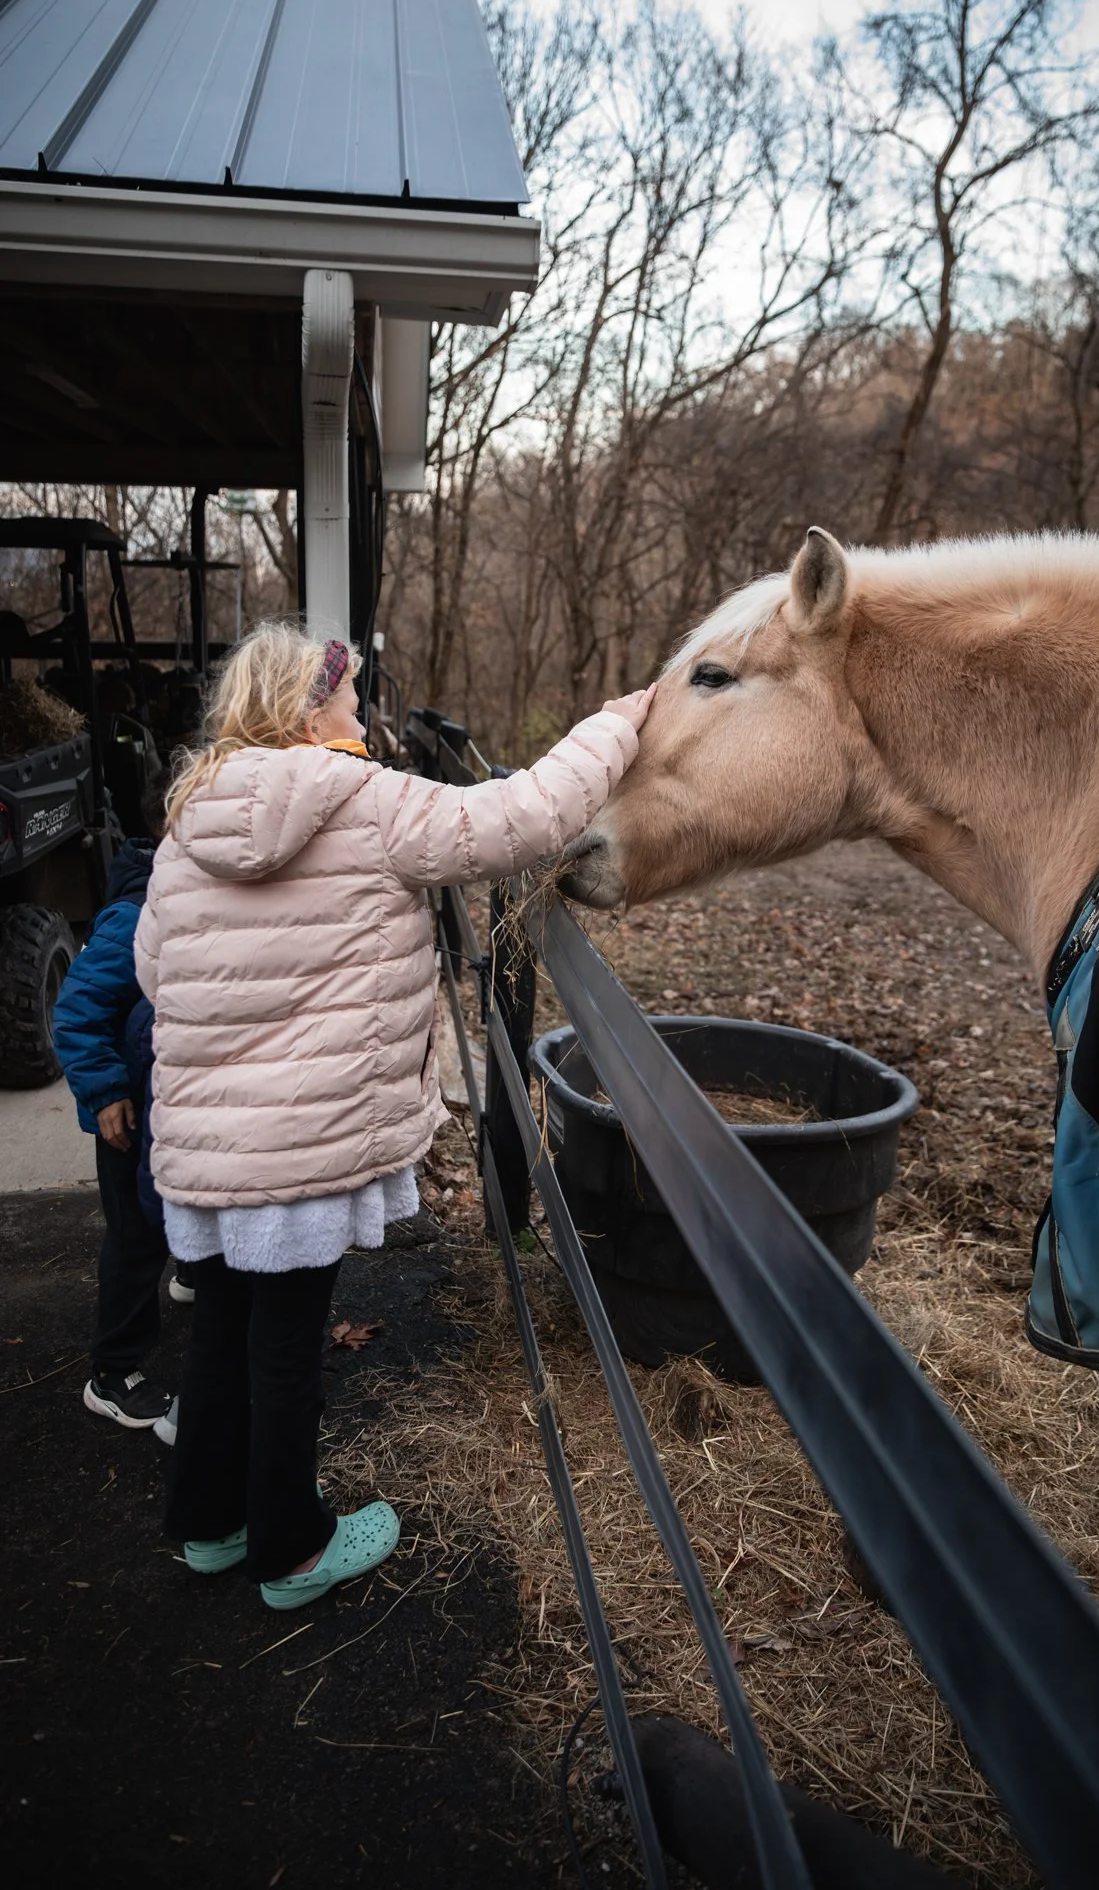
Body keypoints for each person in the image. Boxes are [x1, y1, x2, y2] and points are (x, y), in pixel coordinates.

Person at [136, 624, 653, 1610]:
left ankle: (209, 1522)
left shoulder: (188, 818)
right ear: (306, 711)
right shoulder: (365, 800)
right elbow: (525, 815)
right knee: (286, 1338)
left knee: (223, 1332)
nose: (362, 715)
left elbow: (154, 970)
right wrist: (617, 725)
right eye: (349, 698)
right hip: (309, 1134)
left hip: (206, 1143)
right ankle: (290, 1548)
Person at [51, 807, 176, 1436]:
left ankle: (184, 1278)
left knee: (163, 1212)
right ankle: (113, 1374)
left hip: (153, 1102)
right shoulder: (134, 922)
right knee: (134, 1236)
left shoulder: (163, 903)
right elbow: (74, 1013)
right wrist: (105, 1095)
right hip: (125, 1114)